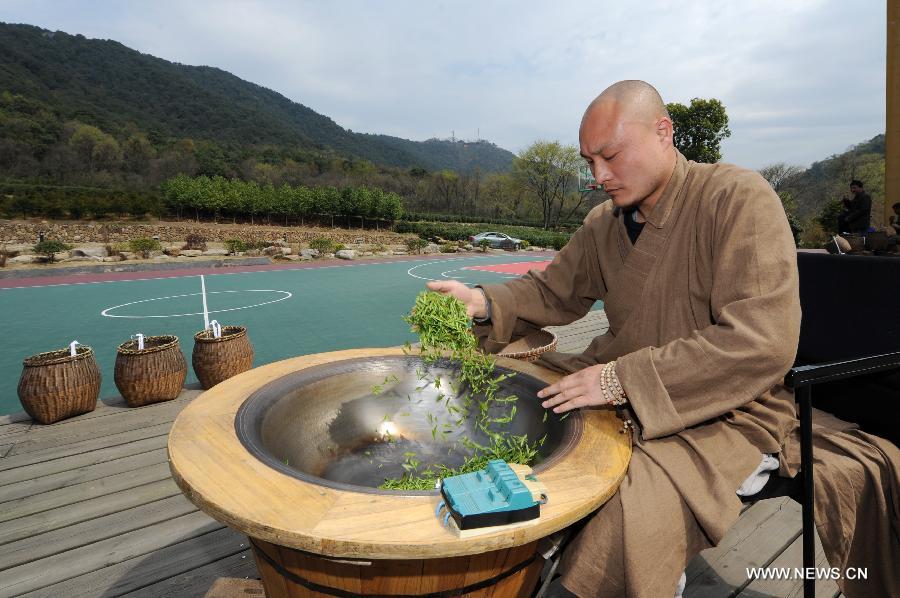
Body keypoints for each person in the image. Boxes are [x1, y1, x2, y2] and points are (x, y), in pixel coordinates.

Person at [427, 81, 899, 597]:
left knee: (630, 506)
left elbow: (763, 341)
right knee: (516, 400)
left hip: (728, 406)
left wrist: (620, 379)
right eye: (589, 162)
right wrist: (482, 301)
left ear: (663, 132)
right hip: (615, 380)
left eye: (610, 156)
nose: (599, 176)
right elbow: (553, 291)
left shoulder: (737, 197)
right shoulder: (602, 223)